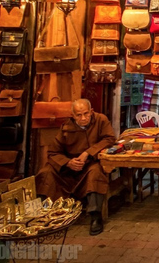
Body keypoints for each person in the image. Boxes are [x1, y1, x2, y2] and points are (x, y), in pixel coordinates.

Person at [35, 99, 116, 235]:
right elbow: (53, 152)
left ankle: (95, 216)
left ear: (91, 112)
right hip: (70, 166)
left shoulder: (101, 120)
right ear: (72, 115)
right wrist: (68, 162)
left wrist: (88, 153)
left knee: (95, 173)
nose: (83, 118)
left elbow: (109, 139)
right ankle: (45, 214)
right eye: (79, 115)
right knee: (46, 172)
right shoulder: (66, 127)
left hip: (90, 162)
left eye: (86, 114)